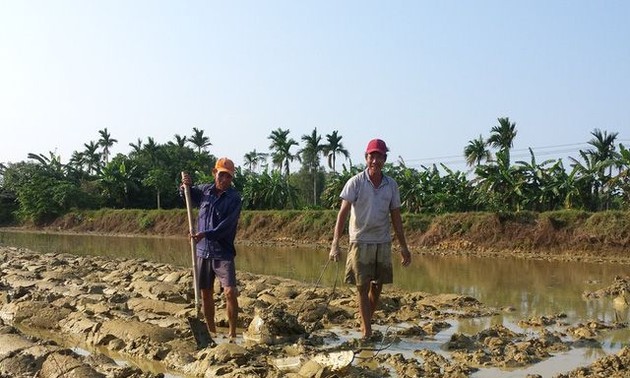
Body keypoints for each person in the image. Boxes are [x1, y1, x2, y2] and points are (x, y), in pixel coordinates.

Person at [329, 138, 411, 340]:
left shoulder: (391, 185)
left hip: (382, 241)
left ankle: (366, 321)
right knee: (362, 287)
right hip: (360, 241)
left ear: (384, 159)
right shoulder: (355, 182)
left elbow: (396, 217)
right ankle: (367, 331)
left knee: (377, 286)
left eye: (379, 156)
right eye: (371, 156)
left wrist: (403, 247)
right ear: (366, 158)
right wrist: (334, 245)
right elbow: (342, 214)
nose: (375, 160)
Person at [181, 157, 242, 340]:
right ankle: (211, 331)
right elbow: (186, 196)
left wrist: (206, 233)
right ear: (215, 173)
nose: (224, 180)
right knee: (205, 293)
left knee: (230, 291)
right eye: (221, 175)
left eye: (228, 177)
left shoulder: (234, 198)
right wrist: (186, 186)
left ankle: (232, 334)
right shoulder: (204, 191)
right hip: (202, 250)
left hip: (222, 251)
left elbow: (227, 226)